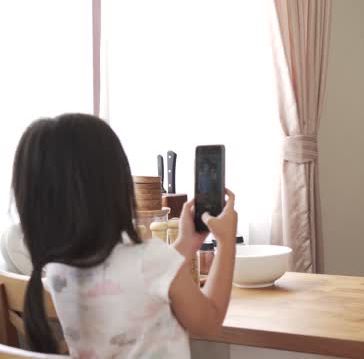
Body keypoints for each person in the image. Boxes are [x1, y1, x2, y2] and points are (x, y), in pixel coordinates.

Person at [12, 113, 238, 356]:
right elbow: (209, 323)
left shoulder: (58, 272)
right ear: (115, 183)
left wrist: (185, 244)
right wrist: (226, 244)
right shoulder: (150, 259)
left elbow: (141, 284)